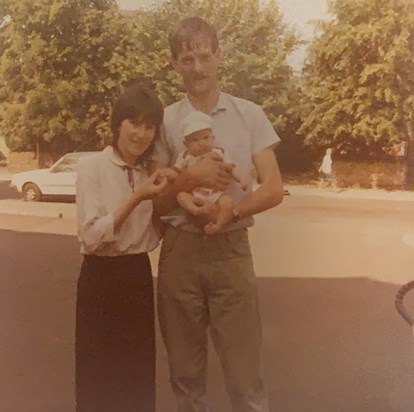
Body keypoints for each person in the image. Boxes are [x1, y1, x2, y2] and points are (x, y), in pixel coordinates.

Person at [151, 16, 284, 412]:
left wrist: (233, 210)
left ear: (220, 57)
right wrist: (190, 179)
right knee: (186, 377)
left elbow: (274, 187)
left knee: (246, 377)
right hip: (180, 254)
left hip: (231, 251)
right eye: (187, 59)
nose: (198, 68)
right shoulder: (165, 122)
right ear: (175, 64)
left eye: (204, 56)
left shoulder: (249, 114)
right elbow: (155, 202)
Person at [75, 82, 167, 412]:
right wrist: (137, 197)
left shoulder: (150, 172)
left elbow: (153, 235)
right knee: (98, 376)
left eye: (149, 126)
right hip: (101, 276)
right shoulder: (92, 167)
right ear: (117, 125)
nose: (141, 134)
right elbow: (90, 235)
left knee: (137, 375)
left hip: (137, 274)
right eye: (134, 123)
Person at [175, 110, 247, 234]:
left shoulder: (218, 153)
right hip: (195, 193)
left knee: (228, 203)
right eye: (194, 140)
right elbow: (176, 172)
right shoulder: (185, 156)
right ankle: (194, 210)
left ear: (213, 138)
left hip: (216, 194)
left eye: (205, 138)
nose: (201, 143)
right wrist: (169, 174)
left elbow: (229, 169)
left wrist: (241, 179)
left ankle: (218, 225)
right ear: (186, 144)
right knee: (181, 196)